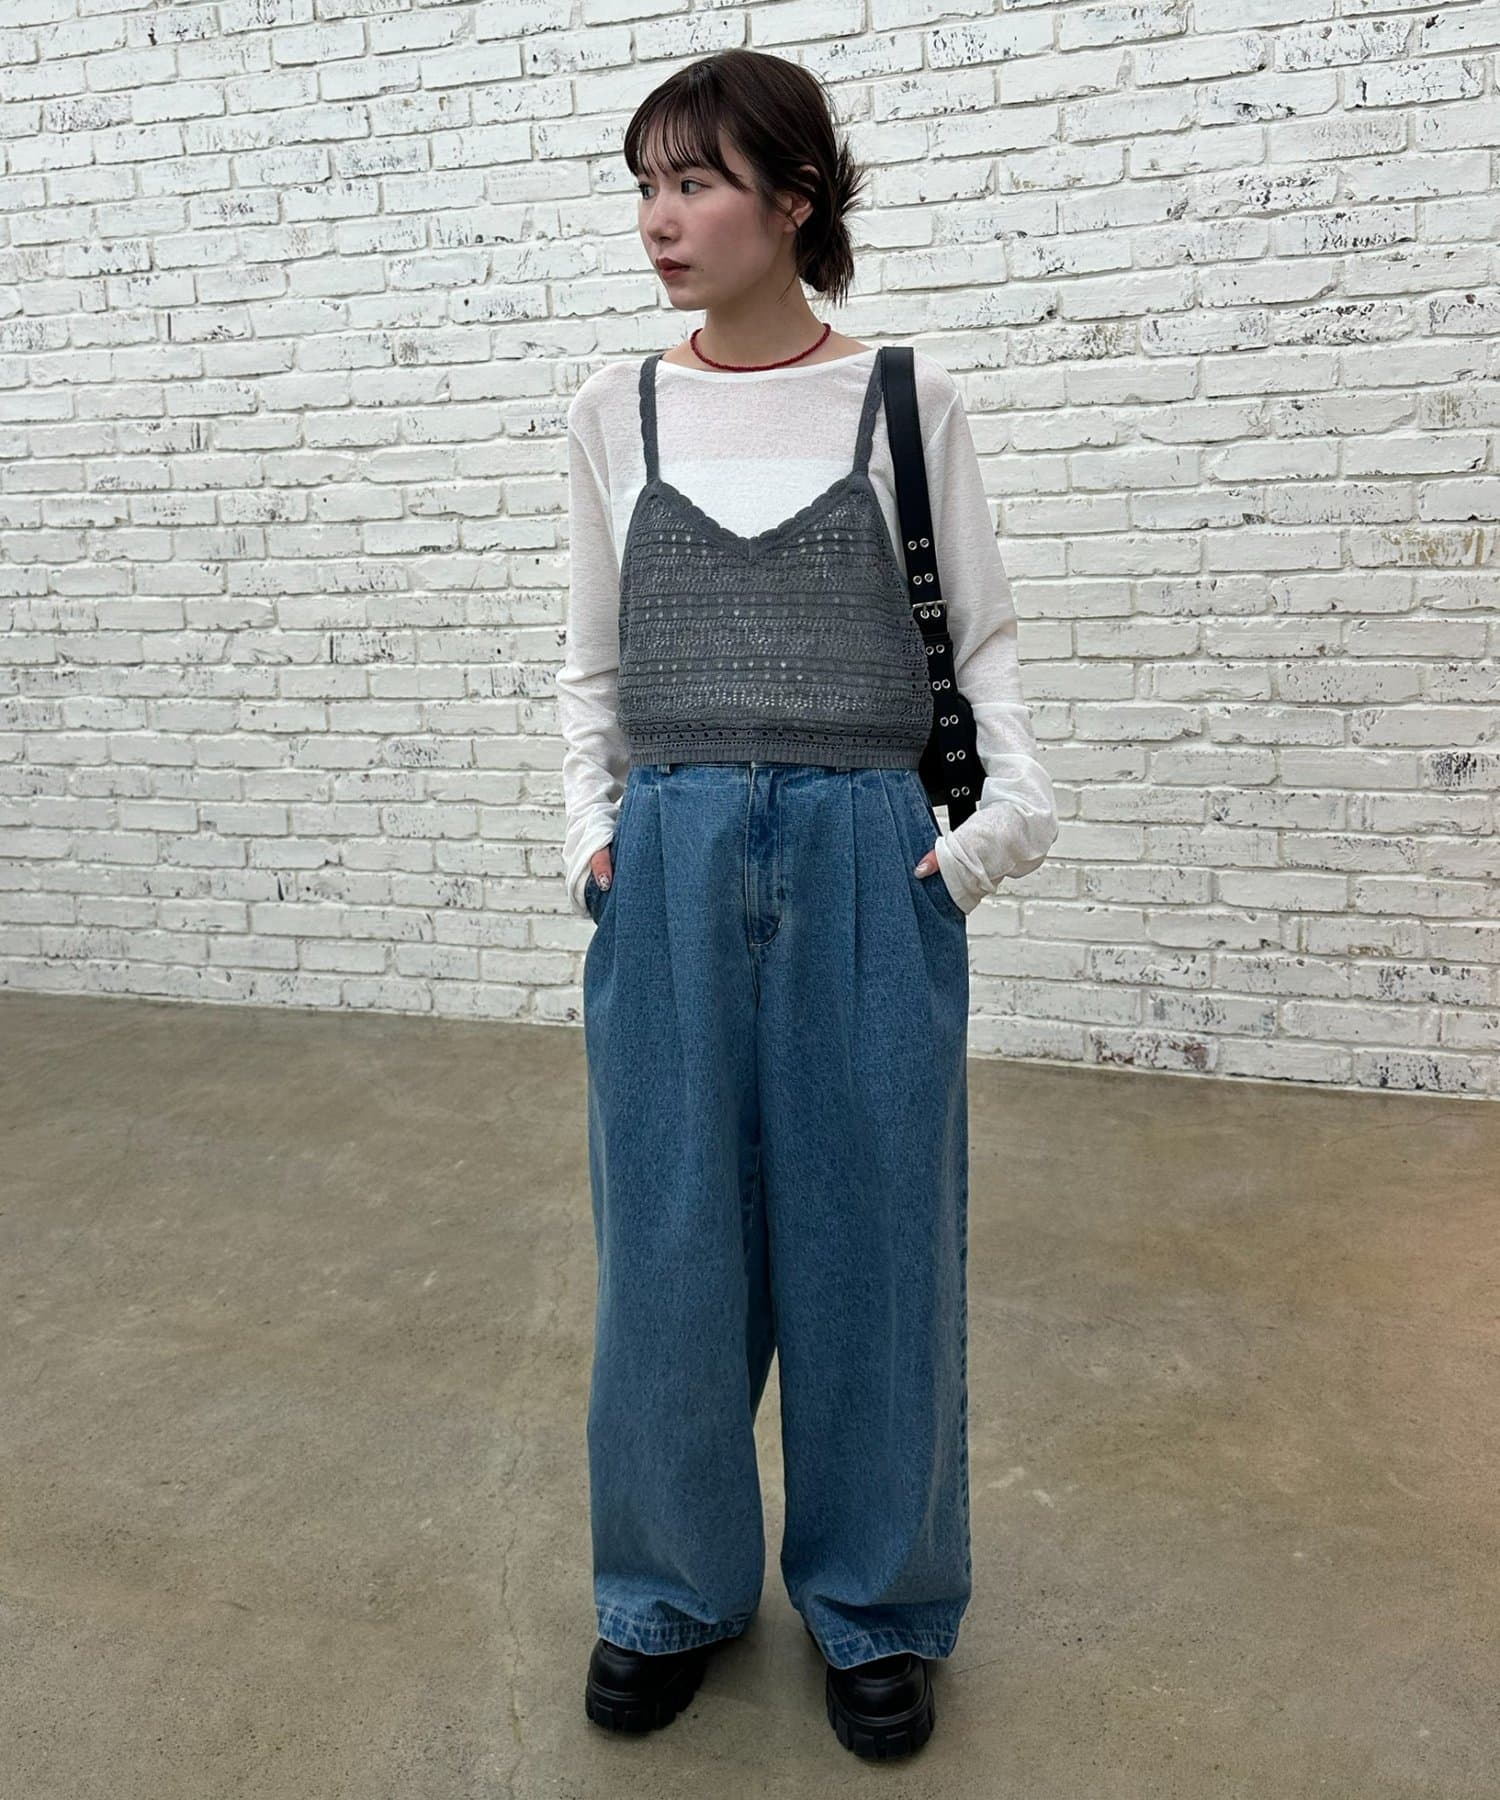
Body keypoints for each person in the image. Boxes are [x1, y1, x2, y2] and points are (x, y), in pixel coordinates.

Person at [556, 48, 1058, 1760]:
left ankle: (877, 1605)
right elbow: (591, 666)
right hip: (673, 856)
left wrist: (986, 841)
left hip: (866, 853)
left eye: (694, 182)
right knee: (668, 1243)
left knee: (875, 1246)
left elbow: (982, 642)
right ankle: (668, 1590)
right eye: (644, 185)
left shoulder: (906, 402)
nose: (659, 219)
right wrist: (592, 838)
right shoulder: (614, 411)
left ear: (794, 199)